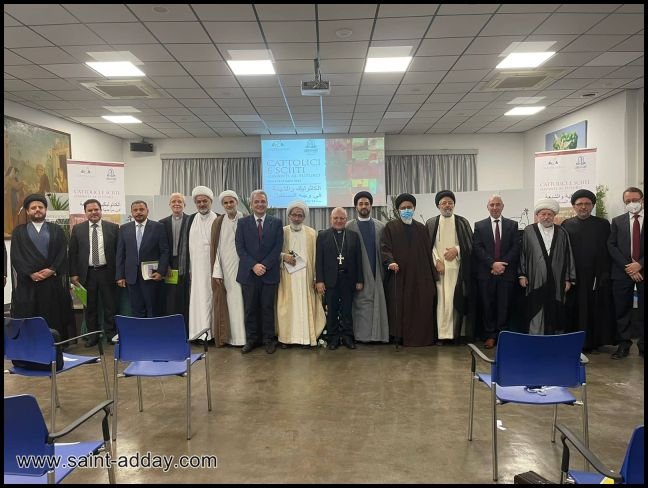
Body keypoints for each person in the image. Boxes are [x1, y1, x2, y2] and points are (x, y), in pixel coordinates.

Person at [10, 194, 74, 339]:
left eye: (40, 207)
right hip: (28, 284)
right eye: (33, 208)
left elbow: (62, 253)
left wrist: (52, 269)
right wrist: (30, 273)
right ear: (28, 211)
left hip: (51, 283)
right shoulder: (19, 232)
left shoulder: (56, 230)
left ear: (45, 210)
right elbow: (16, 256)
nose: (37, 210)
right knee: (30, 316)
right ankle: (33, 344)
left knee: (53, 315)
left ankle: (55, 344)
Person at [381, 193, 437, 347]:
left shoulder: (421, 228)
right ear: (398, 210)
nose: (406, 210)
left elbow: (428, 251)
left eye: (409, 207)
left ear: (414, 208)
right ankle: (400, 337)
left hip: (420, 275)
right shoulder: (390, 227)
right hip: (400, 274)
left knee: (421, 304)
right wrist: (390, 261)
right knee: (401, 306)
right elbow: (384, 248)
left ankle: (421, 338)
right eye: (403, 208)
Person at [563, 189, 615, 352]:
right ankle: (575, 342)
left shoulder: (603, 224)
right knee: (575, 310)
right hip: (575, 277)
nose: (583, 207)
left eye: (587, 204)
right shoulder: (566, 225)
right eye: (580, 204)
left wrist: (604, 273)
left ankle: (593, 342)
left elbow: (608, 250)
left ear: (592, 205)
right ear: (574, 206)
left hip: (596, 276)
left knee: (595, 309)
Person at [235, 190, 283, 354]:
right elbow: (240, 248)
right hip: (249, 274)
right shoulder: (242, 223)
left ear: (267, 203)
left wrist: (264, 265)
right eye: (256, 202)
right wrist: (254, 265)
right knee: (250, 308)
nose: (260, 204)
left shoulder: (276, 223)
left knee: (267, 308)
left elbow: (277, 248)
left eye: (263, 201)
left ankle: (268, 340)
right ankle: (252, 340)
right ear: (251, 204)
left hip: (269, 273)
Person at [519, 199, 576, 335]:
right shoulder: (529, 231)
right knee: (535, 307)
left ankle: (554, 339)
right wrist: (522, 274)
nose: (546, 217)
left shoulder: (562, 232)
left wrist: (568, 278)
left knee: (556, 308)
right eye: (543, 214)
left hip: (557, 280)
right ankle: (535, 337)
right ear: (537, 215)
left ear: (554, 215)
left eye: (549, 214)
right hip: (535, 279)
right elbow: (522, 253)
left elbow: (568, 255)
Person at [68, 199, 119, 347]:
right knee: (90, 306)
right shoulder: (78, 229)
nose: (93, 212)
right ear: (85, 212)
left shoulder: (113, 228)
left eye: (96, 209)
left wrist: (119, 274)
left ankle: (110, 334)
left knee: (110, 305)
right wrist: (73, 274)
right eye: (90, 210)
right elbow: (73, 253)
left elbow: (118, 252)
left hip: (107, 272)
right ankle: (92, 336)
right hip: (87, 274)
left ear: (101, 210)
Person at [472, 195, 520, 349]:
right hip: (487, 273)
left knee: (504, 306)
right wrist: (492, 264)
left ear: (503, 206)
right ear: (487, 207)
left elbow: (516, 247)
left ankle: (502, 335)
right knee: (488, 305)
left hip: (506, 273)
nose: (495, 207)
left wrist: (502, 265)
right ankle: (490, 336)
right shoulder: (479, 226)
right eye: (492, 205)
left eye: (498, 204)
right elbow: (477, 248)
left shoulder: (512, 225)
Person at [426, 190, 474, 343]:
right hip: (439, 270)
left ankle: (454, 335)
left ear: (454, 205)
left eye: (450, 202)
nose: (447, 205)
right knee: (441, 302)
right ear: (438, 206)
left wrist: (457, 250)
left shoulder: (462, 222)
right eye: (444, 203)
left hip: (457, 270)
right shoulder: (431, 223)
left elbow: (470, 244)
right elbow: (428, 246)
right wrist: (437, 261)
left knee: (454, 300)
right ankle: (441, 335)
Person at [277, 201, 326, 348]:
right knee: (288, 308)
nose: (297, 218)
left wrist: (317, 277)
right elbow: (273, 252)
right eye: (294, 215)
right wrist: (283, 256)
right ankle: (286, 339)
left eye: (300, 215)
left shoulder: (311, 233)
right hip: (287, 277)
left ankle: (305, 338)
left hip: (306, 278)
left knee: (305, 307)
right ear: (289, 216)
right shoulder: (282, 232)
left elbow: (316, 257)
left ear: (304, 217)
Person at [316, 208, 363, 350]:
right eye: (335, 218)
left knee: (347, 310)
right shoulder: (322, 236)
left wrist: (359, 280)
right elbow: (319, 260)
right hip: (330, 280)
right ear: (331, 219)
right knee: (332, 310)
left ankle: (348, 337)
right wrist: (319, 280)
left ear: (346, 220)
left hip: (348, 279)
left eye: (342, 218)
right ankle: (333, 338)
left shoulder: (353, 236)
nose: (338, 221)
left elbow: (358, 260)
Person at [346, 191, 389, 343]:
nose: (364, 206)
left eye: (366, 203)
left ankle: (378, 335)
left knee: (377, 303)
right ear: (356, 207)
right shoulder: (349, 227)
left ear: (371, 206)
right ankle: (361, 336)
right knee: (361, 304)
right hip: (358, 274)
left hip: (377, 272)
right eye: (361, 204)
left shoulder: (380, 226)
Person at [607, 187, 644, 359]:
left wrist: (640, 265)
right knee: (621, 310)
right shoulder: (617, 221)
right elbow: (611, 245)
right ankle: (623, 344)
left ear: (642, 200)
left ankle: (643, 345)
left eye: (635, 200)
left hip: (642, 270)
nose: (632, 204)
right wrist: (629, 267)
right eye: (628, 201)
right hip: (622, 272)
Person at [116, 200, 169, 318]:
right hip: (132, 277)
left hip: (152, 276)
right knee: (136, 309)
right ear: (131, 213)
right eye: (135, 210)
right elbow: (120, 253)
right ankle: (140, 330)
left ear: (147, 211)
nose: (138, 212)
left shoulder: (158, 227)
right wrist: (120, 276)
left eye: (141, 209)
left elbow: (164, 251)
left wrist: (161, 271)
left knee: (152, 309)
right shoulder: (124, 228)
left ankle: (152, 329)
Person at [210, 190, 246, 346]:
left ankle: (246, 338)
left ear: (236, 202)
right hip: (227, 268)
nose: (229, 205)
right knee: (231, 302)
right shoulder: (218, 222)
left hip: (245, 268)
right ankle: (233, 338)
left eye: (231, 202)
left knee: (244, 302)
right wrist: (217, 271)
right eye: (225, 203)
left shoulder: (245, 218)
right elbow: (216, 249)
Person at [186, 186, 218, 341]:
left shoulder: (218, 219)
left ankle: (212, 334)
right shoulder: (191, 220)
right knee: (198, 299)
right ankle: (198, 333)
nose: (202, 204)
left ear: (211, 201)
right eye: (198, 202)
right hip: (196, 269)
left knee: (211, 299)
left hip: (214, 267)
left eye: (205, 201)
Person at [159, 193, 191, 325]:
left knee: (186, 296)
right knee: (171, 297)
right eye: (173, 201)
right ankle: (171, 326)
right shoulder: (162, 223)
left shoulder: (191, 220)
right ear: (169, 205)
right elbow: (160, 247)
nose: (176, 204)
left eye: (179, 201)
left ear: (184, 204)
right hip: (169, 264)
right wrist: (164, 266)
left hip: (186, 263)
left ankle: (186, 326)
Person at [4, 166, 26, 236]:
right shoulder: (7, 178)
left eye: (14, 172)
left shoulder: (10, 179)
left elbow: (17, 187)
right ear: (10, 171)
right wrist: (22, 183)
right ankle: (6, 230)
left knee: (10, 214)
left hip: (9, 199)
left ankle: (9, 229)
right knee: (7, 214)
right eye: (13, 171)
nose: (13, 173)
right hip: (7, 199)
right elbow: (16, 186)